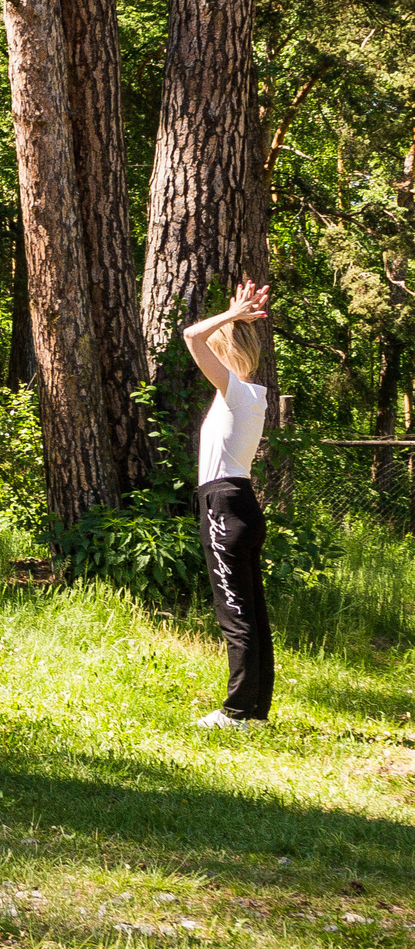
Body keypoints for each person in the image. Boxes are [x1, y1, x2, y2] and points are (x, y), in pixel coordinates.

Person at [185, 279, 276, 729]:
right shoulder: (246, 395)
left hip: (224, 504)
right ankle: (254, 710)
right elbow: (200, 337)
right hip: (234, 502)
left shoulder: (238, 392)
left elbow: (190, 336)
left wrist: (230, 316)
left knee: (236, 613)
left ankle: (239, 711)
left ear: (224, 349)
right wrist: (234, 315)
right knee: (251, 612)